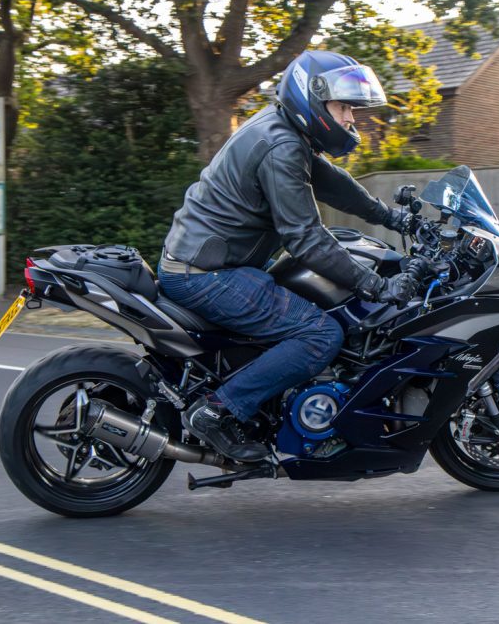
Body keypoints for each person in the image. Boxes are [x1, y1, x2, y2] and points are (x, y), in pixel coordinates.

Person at [158, 50, 419, 462]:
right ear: (312, 98)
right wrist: (378, 286)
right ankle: (217, 411)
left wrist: (396, 219)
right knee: (321, 334)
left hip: (213, 265)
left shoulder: (286, 133)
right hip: (205, 274)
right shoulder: (281, 145)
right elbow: (306, 238)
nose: (351, 118)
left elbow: (337, 186)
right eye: (344, 106)